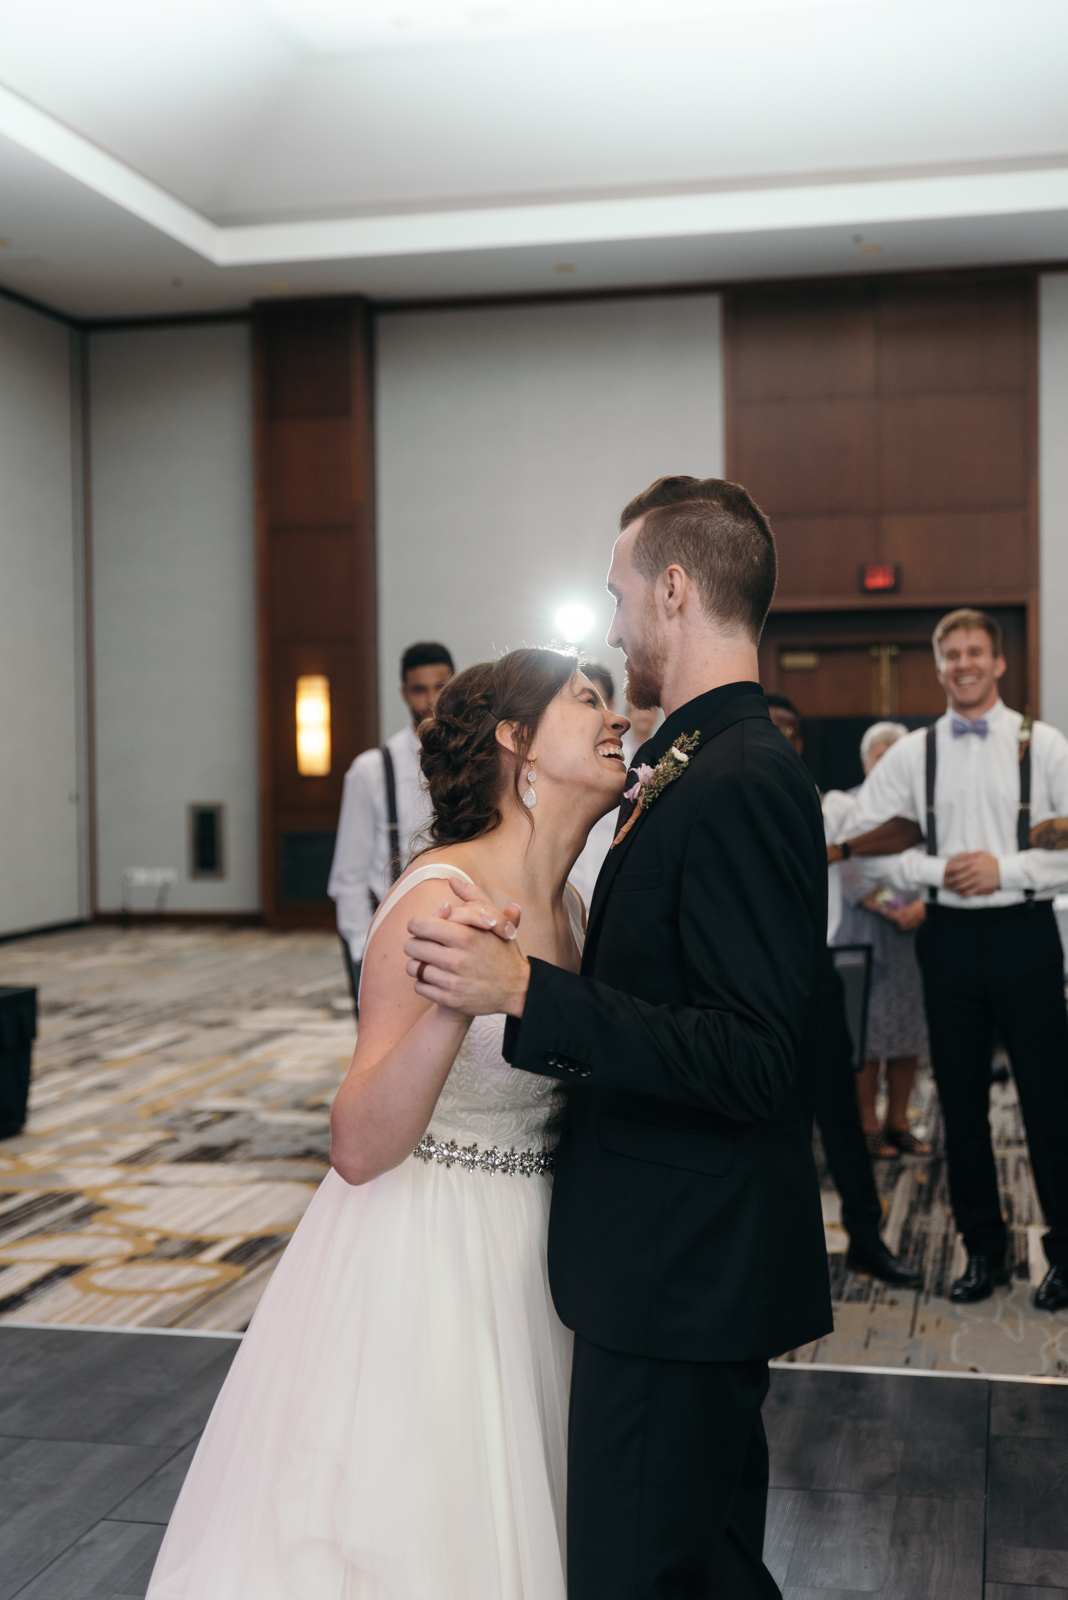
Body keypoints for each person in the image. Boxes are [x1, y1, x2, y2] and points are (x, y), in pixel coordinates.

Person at [406, 475, 833, 1599]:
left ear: (676, 590)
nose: (611, 624)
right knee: (693, 1566)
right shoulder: (699, 760)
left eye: (620, 593)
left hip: (679, 1261)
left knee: (646, 1574)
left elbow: (752, 1056)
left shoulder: (737, 777)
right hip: (669, 1254)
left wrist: (527, 993)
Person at [146, 648, 632, 1599]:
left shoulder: (571, 907)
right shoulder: (435, 898)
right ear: (517, 743)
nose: (615, 721)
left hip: (536, 1255)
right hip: (423, 1251)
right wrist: (458, 1001)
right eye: (588, 702)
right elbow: (359, 1144)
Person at [841, 608, 1068, 1311]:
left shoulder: (1047, 745)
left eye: (976, 652)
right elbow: (861, 840)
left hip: (1025, 934)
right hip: (947, 942)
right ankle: (983, 1251)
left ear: (998, 664)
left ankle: (1066, 1255)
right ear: (938, 667)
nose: (964, 664)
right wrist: (939, 871)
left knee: (1050, 1100)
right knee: (960, 1104)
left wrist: (1006, 870)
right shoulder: (914, 753)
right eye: (952, 654)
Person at [764, 694, 921, 1289]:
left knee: (841, 1116)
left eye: (793, 729)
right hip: (752, 980)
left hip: (817, 971)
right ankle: (774, 1247)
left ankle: (866, 1237)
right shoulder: (733, 791)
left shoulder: (826, 804)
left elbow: (906, 829)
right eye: (773, 725)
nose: (784, 735)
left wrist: (843, 849)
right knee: (771, 1121)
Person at [328, 641, 454, 1002]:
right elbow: (348, 876)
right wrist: (362, 951)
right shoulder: (371, 770)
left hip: (459, 939)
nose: (430, 701)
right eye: (419, 689)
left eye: (440, 687)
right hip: (395, 944)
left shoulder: (476, 761)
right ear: (403, 693)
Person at [836, 721, 931, 1158]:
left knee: (909, 1035)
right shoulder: (852, 807)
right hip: (869, 933)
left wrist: (924, 904)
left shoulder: (924, 808)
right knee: (869, 1037)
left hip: (914, 940)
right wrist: (897, 908)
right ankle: (865, 1123)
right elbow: (850, 868)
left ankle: (899, 1120)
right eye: (881, 755)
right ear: (865, 761)